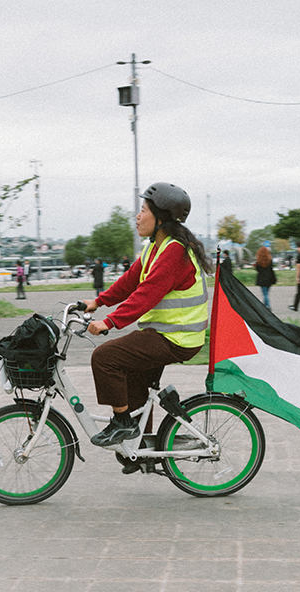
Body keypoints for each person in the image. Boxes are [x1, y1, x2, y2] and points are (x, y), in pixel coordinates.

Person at [82, 182, 211, 454]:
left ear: (161, 218)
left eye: (143, 210)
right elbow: (130, 281)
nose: (137, 216)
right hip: (164, 334)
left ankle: (121, 422)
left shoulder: (174, 252)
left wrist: (109, 322)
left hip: (177, 338)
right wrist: (97, 301)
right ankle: (141, 448)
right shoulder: (156, 248)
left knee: (105, 358)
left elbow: (146, 295)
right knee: (134, 384)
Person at [253, 244, 276, 309]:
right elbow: (271, 268)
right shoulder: (270, 260)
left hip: (261, 278)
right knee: (267, 293)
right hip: (269, 277)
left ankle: (267, 305)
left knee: (264, 293)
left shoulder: (258, 262)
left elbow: (258, 270)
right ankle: (266, 305)